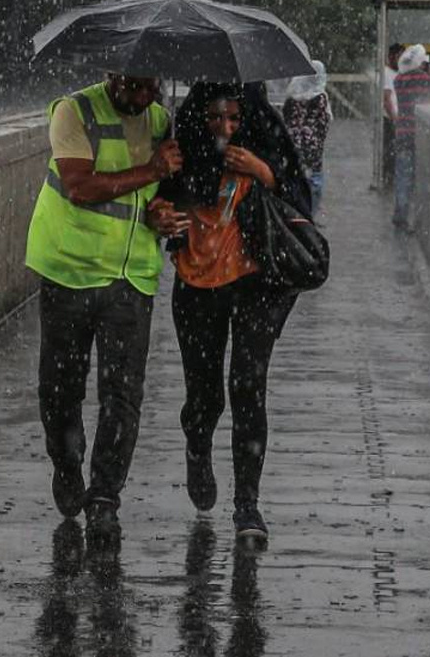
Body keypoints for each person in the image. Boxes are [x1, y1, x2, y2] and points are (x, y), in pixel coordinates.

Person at [25, 73, 187, 539]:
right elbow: (79, 186)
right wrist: (153, 171)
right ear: (112, 76)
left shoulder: (161, 119)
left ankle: (104, 496)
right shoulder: (73, 112)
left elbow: (159, 195)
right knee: (60, 389)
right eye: (133, 88)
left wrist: (162, 209)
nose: (142, 98)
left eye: (150, 88)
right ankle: (67, 461)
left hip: (130, 275)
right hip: (69, 269)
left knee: (122, 395)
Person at [156, 82, 311, 543]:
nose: (225, 128)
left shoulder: (267, 148)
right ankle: (198, 445)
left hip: (257, 284)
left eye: (234, 119)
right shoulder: (182, 154)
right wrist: (162, 213)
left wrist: (264, 172)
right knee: (206, 395)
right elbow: (157, 202)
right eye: (215, 118)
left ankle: (248, 506)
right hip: (198, 286)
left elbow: (301, 203)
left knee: (248, 387)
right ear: (199, 119)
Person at [391, 44, 430, 230]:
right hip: (421, 135)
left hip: (403, 133)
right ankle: (420, 219)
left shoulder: (399, 80)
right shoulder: (428, 79)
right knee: (422, 176)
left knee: (403, 176)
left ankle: (400, 214)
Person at [282, 60, 333, 220]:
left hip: (292, 148)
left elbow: (285, 119)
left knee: (295, 177)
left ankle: (296, 211)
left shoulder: (291, 97)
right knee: (314, 181)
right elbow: (323, 123)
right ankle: (310, 215)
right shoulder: (320, 98)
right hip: (313, 149)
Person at [377, 43, 405, 191]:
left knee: (397, 150)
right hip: (391, 119)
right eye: (399, 56)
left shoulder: (400, 73)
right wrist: (395, 119)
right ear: (391, 57)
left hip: (400, 118)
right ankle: (389, 179)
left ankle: (394, 178)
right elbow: (386, 98)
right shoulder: (387, 73)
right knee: (390, 150)